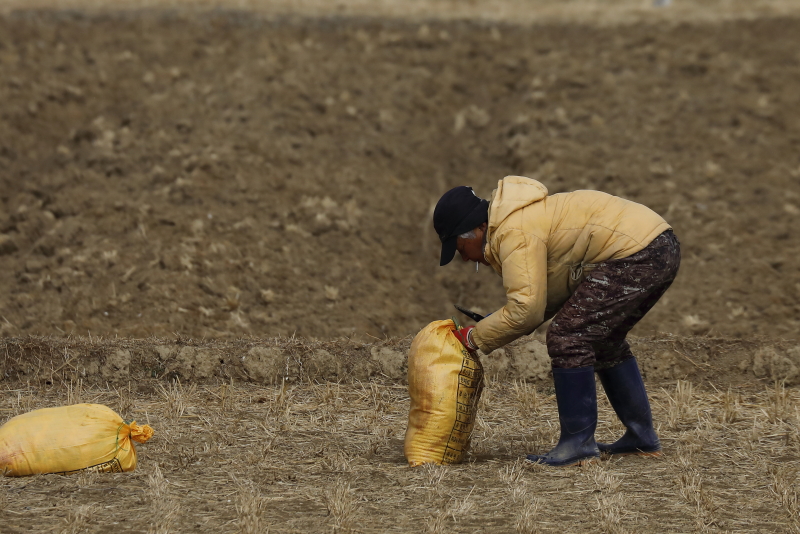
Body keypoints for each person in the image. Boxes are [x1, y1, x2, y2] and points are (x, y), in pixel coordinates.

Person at [433, 176, 680, 466]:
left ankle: (578, 444)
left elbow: (527, 310)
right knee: (602, 339)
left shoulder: (514, 231)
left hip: (636, 253)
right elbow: (548, 296)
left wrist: (473, 337)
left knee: (568, 336)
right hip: (657, 246)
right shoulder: (518, 221)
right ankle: (641, 438)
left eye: (461, 250)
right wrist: (497, 324)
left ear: (479, 228)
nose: (464, 259)